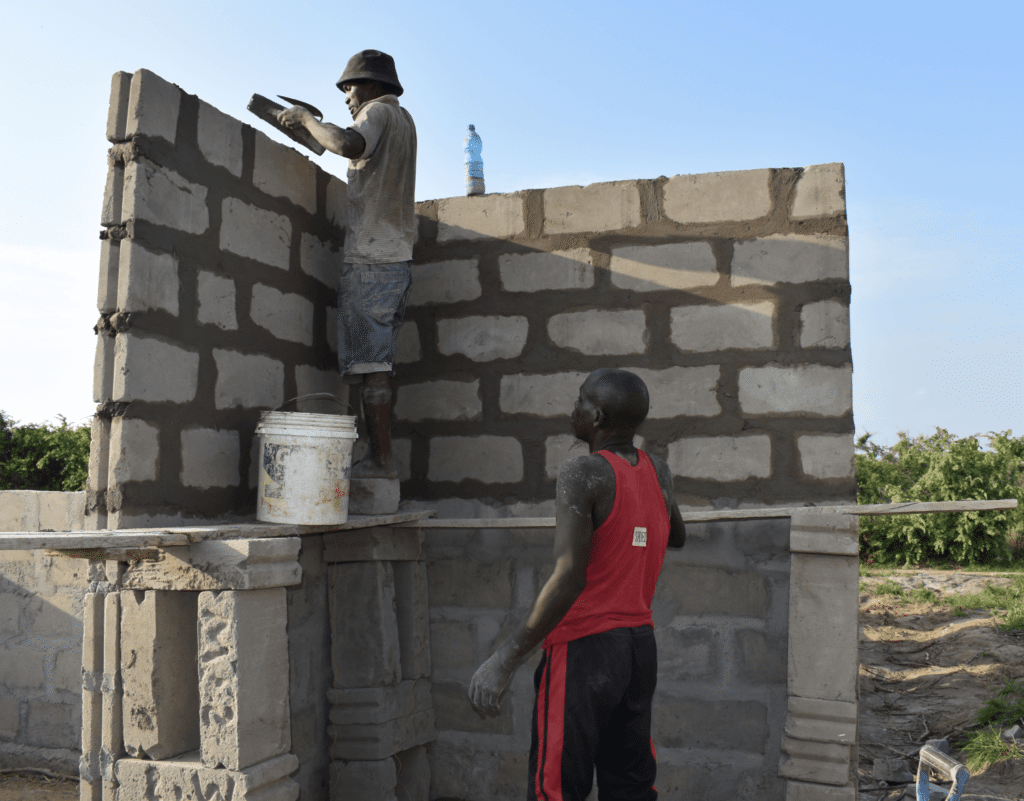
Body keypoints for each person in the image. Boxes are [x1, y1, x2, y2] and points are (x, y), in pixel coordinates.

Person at [469, 368, 686, 800]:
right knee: (631, 785)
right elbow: (676, 535)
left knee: (557, 789)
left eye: (581, 401)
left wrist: (504, 659)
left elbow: (569, 576)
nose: (574, 409)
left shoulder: (583, 473)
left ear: (598, 416)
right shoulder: (655, 470)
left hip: (585, 649)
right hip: (639, 647)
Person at [277, 49, 416, 479]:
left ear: (373, 86)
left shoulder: (376, 111)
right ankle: (377, 460)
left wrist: (304, 119)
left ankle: (381, 462)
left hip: (372, 260)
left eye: (350, 87)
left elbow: (346, 143)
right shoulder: (405, 120)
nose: (346, 98)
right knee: (372, 364)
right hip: (395, 260)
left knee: (371, 367)